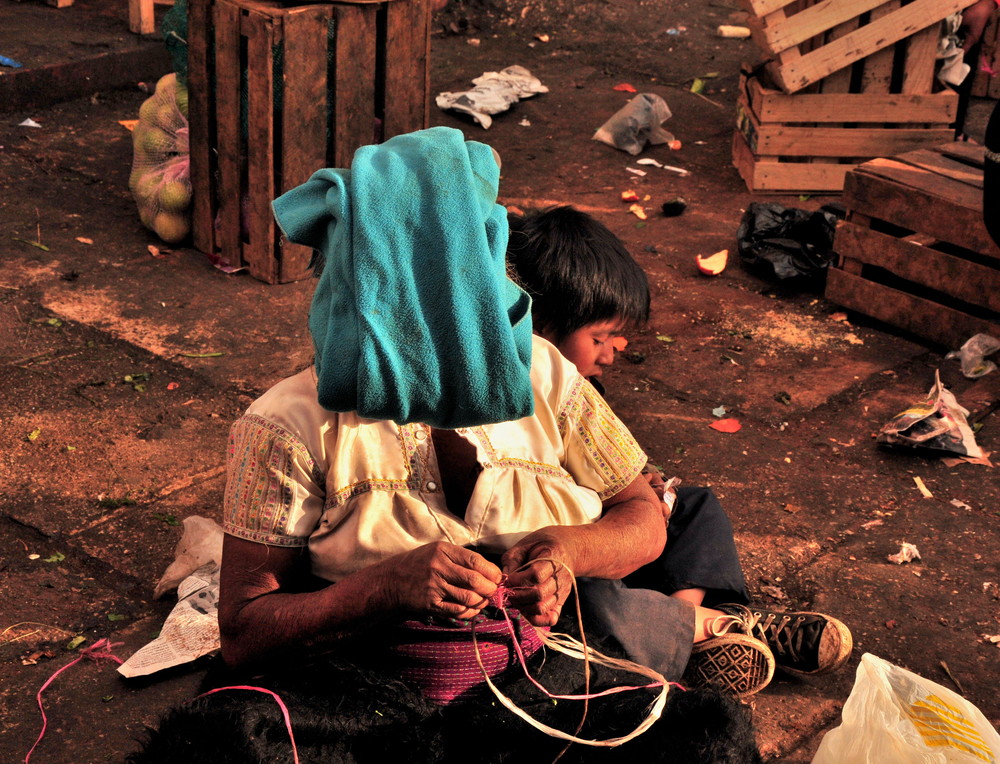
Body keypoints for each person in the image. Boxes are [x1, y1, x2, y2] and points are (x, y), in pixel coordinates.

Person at [127, 127, 771, 764]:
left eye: (465, 312)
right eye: (413, 321)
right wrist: (382, 589)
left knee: (708, 742)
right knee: (218, 748)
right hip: (359, 685)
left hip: (533, 670)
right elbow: (244, 633)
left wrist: (565, 552)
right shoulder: (281, 426)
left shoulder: (546, 373)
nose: (447, 343)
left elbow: (644, 516)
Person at [506, 205, 853, 698]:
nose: (611, 353)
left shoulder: (582, 395)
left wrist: (643, 488)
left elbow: (617, 470)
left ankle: (690, 624)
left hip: (614, 541)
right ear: (538, 329)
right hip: (561, 557)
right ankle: (704, 630)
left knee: (695, 508)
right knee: (590, 601)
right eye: (598, 337)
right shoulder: (516, 396)